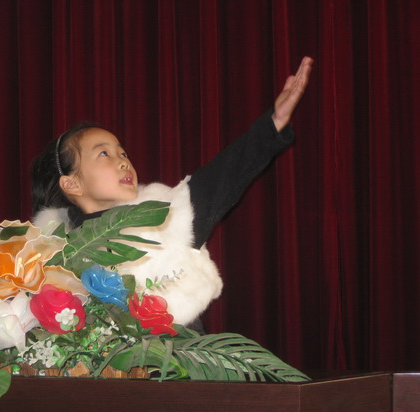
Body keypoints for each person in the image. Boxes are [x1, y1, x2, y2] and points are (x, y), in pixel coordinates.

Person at [32, 57, 313, 328]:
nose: (123, 161)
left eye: (123, 153)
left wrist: (274, 122)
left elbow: (226, 173)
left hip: (176, 356)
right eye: (104, 154)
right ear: (72, 184)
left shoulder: (166, 213)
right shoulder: (51, 251)